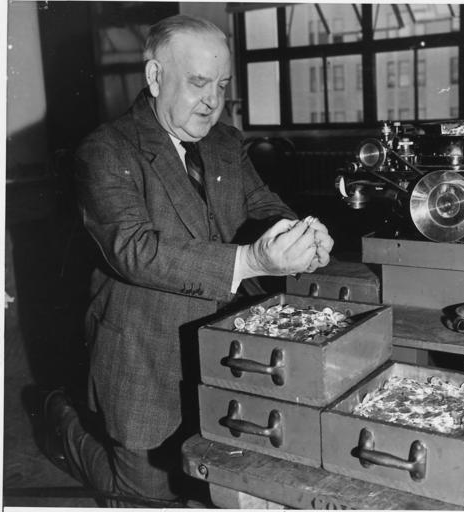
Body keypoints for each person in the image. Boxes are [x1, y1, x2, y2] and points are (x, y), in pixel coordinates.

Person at [44, 14, 334, 506]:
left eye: (221, 85)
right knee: (145, 498)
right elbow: (135, 250)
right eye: (198, 83)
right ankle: (59, 422)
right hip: (143, 352)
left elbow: (262, 205)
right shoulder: (105, 150)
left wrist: (300, 234)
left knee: (223, 476)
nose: (212, 101)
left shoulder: (225, 141)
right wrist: (251, 260)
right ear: (155, 77)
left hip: (222, 342)